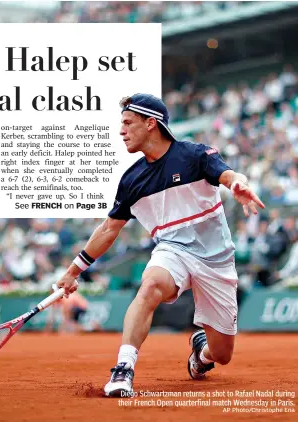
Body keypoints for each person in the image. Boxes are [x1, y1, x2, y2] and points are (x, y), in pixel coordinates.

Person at [57, 93, 265, 397]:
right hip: (174, 251)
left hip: (216, 260)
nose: (121, 130)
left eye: (128, 123)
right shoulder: (132, 180)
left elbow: (228, 174)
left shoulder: (194, 155)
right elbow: (108, 229)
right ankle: (123, 370)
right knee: (151, 283)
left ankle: (201, 352)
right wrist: (73, 271)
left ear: (151, 123)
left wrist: (236, 184)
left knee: (222, 355)